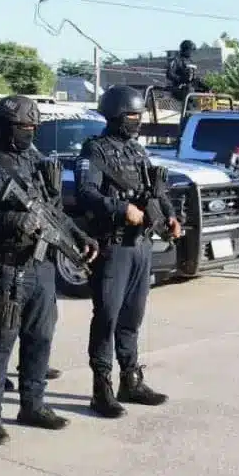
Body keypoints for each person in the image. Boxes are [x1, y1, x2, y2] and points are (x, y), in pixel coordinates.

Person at [0, 96, 99, 444]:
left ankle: (32, 405)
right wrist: (9, 219)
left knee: (40, 339)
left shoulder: (36, 160)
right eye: (24, 127)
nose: (30, 132)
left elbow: (54, 211)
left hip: (42, 268)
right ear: (5, 129)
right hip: (5, 269)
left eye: (33, 127)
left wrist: (79, 235)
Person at [75, 85, 177, 417]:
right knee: (107, 317)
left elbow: (155, 189)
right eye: (132, 116)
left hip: (141, 246)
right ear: (117, 116)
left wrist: (171, 215)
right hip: (114, 246)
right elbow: (86, 192)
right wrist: (120, 210)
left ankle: (130, 380)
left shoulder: (137, 152)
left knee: (132, 317)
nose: (137, 121)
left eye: (139, 116)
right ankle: (100, 388)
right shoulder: (95, 151)